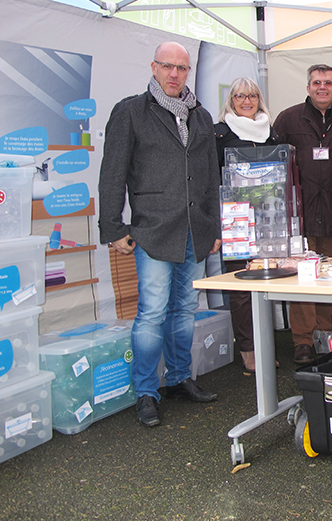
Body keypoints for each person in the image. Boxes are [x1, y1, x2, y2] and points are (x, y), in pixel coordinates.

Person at [98, 42, 221, 427]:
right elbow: (112, 173)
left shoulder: (200, 117)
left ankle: (180, 378)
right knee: (151, 313)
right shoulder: (130, 112)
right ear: (153, 67)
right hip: (152, 230)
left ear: (187, 72)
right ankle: (146, 392)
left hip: (194, 231)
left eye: (181, 68)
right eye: (167, 66)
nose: (174, 74)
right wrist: (113, 228)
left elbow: (211, 178)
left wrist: (214, 227)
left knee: (184, 309)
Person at [273, 64, 332, 365]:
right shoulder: (287, 119)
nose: (322, 87)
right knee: (302, 278)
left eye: (328, 82)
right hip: (301, 214)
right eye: (316, 82)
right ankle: (302, 340)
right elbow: (276, 166)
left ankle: (325, 333)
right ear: (308, 86)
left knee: (330, 275)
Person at [214, 77, 278, 373]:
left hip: (269, 219)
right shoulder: (220, 134)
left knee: (265, 283)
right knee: (240, 288)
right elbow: (211, 181)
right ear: (231, 100)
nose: (246, 101)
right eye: (240, 96)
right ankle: (249, 350)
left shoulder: (270, 132)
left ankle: (265, 343)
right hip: (235, 221)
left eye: (252, 95)